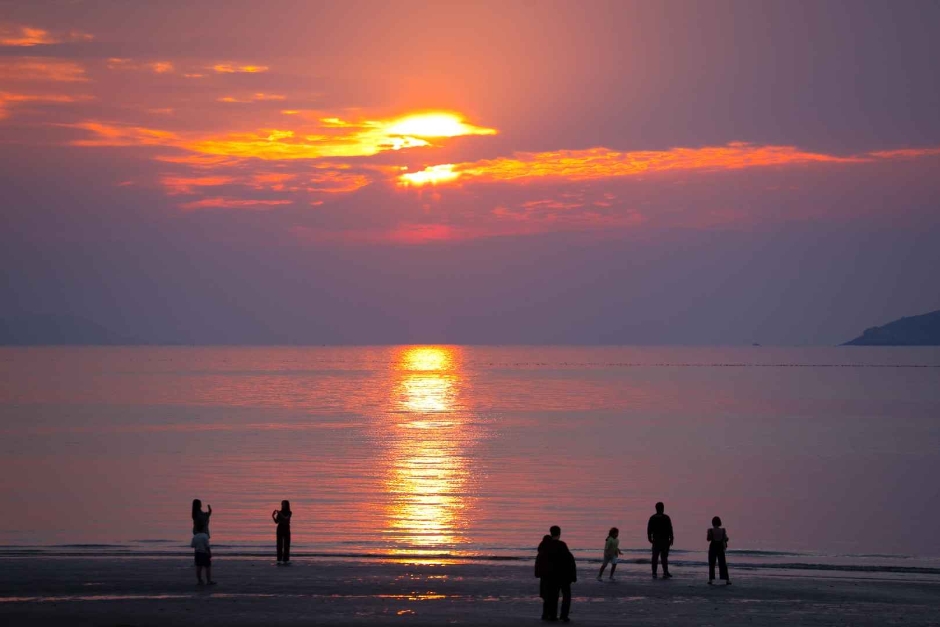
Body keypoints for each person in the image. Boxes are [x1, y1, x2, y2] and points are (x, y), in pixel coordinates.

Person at [536, 525, 577, 622]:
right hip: (563, 576)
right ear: (559, 533)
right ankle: (564, 615)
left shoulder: (546, 546)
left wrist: (540, 573)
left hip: (551, 575)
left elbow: (540, 560)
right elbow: (570, 561)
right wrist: (572, 576)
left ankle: (552, 615)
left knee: (553, 596)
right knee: (566, 596)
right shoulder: (562, 545)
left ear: (551, 532)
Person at [647, 502, 673, 579]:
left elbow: (649, 529)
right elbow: (670, 529)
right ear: (663, 508)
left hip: (656, 540)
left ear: (656, 508)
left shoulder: (653, 517)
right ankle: (665, 572)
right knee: (664, 557)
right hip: (665, 540)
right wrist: (671, 538)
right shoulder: (666, 517)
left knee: (655, 557)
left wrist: (649, 537)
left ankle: (654, 573)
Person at [707, 516, 731, 585]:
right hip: (720, 547)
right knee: (722, 564)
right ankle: (725, 579)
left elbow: (708, 539)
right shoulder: (723, 530)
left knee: (712, 564)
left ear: (713, 523)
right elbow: (726, 538)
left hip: (713, 547)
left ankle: (711, 579)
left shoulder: (710, 530)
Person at [535, 534, 553, 612]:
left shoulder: (541, 551)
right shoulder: (550, 551)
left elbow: (537, 564)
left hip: (543, 575)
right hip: (549, 575)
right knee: (550, 595)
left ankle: (546, 613)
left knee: (546, 596)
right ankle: (549, 613)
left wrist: (537, 573)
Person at [272, 500, 292, 564]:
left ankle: (286, 559)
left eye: (283, 504)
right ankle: (279, 559)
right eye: (281, 504)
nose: (282, 505)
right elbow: (276, 522)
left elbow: (286, 518)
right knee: (279, 545)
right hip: (280, 529)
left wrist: (280, 514)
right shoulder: (280, 512)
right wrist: (273, 516)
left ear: (286, 505)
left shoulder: (289, 512)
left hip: (286, 529)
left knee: (286, 545)